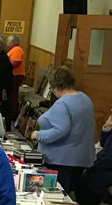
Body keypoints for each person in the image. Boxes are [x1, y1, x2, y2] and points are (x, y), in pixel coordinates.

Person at [30, 66, 95, 195]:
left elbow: (60, 130)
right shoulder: (85, 98)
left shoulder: (63, 103)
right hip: (81, 159)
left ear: (54, 85)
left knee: (56, 195)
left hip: (61, 161)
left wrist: (38, 134)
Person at [7, 33, 26, 120]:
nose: (7, 42)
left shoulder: (16, 49)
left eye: (8, 41)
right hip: (14, 76)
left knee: (13, 96)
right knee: (12, 95)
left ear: (13, 42)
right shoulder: (13, 49)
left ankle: (13, 115)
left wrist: (4, 65)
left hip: (16, 76)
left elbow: (15, 62)